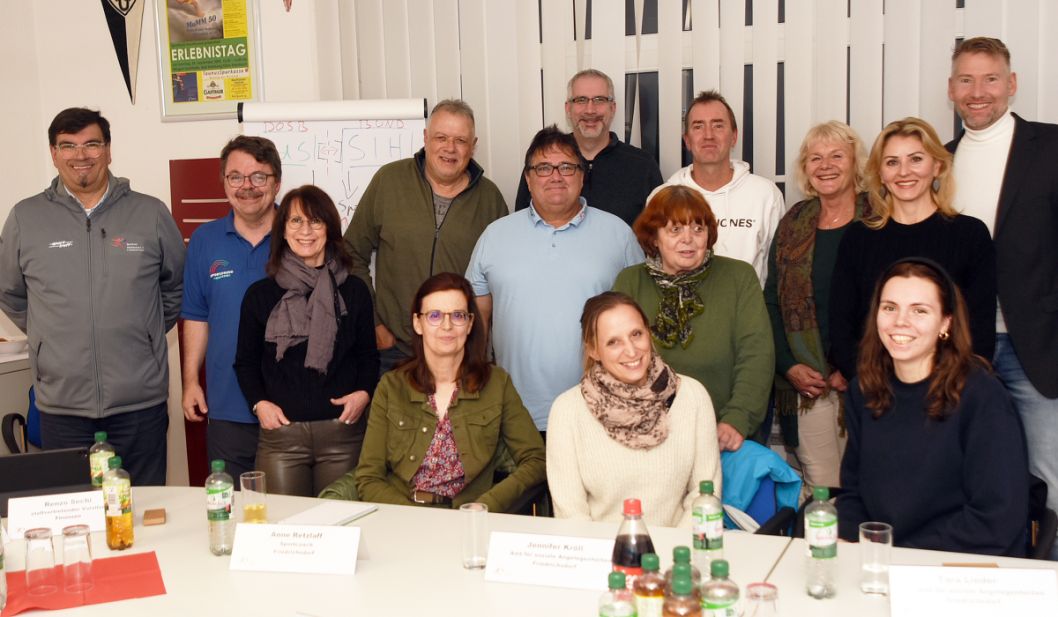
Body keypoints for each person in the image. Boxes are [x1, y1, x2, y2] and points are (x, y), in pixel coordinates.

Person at [0, 108, 184, 485]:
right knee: (73, 518)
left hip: (140, 402)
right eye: (67, 145)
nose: (80, 155)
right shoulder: (25, 217)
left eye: (91, 144)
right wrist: (47, 337)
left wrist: (143, 331)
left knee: (146, 506)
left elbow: (175, 287)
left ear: (109, 150)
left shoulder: (150, 213)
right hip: (62, 407)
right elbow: (11, 292)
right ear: (53, 153)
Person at [946, 36, 1058, 559]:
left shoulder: (1051, 147)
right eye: (966, 79)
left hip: (1036, 346)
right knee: (973, 478)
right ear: (951, 90)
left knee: (1049, 483)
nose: (978, 91)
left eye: (990, 78)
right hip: (963, 351)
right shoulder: (937, 163)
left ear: (1011, 84)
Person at [837, 258, 1028, 556]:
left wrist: (899, 557)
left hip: (960, 567)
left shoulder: (982, 396)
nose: (900, 321)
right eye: (889, 308)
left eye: (919, 311)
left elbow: (997, 517)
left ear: (945, 323)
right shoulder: (863, 389)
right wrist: (853, 549)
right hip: (882, 563)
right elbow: (853, 494)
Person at [466, 126, 644, 433]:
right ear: (528, 178)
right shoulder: (495, 236)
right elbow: (477, 322)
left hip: (599, 413)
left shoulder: (618, 235)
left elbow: (641, 323)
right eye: (544, 168)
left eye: (567, 167)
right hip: (514, 414)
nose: (556, 176)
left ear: (582, 175)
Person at [355, 273, 546, 511]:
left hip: (466, 521)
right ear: (418, 323)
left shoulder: (497, 384)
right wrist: (410, 516)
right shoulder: (391, 387)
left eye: (457, 316)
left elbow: (536, 460)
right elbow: (368, 477)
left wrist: (487, 504)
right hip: (403, 519)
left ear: (469, 323)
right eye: (434, 316)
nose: (447, 326)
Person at [344, 99, 508, 375]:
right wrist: (374, 323)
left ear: (473, 145)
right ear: (425, 138)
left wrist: (479, 347)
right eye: (441, 137)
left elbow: (500, 282)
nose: (450, 148)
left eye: (460, 140)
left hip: (459, 354)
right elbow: (350, 253)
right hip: (393, 352)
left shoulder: (490, 199)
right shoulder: (389, 181)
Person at [234, 185, 379, 497]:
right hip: (281, 439)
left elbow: (369, 357)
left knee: (341, 529)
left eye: (316, 221)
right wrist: (260, 405)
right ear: (283, 230)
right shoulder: (260, 296)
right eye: (296, 221)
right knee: (281, 530)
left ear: (330, 229)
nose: (306, 231)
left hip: (343, 435)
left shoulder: (354, 291)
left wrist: (364, 394)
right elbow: (245, 363)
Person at [828, 117, 996, 381]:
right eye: (892, 162)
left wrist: (948, 388)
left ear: (937, 166)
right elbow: (841, 326)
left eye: (916, 159)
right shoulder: (858, 238)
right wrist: (870, 384)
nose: (904, 172)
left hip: (951, 393)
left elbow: (980, 330)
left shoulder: (970, 235)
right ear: (880, 174)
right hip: (876, 394)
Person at [613, 185, 774, 452]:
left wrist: (737, 419)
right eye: (675, 229)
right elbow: (613, 361)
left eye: (698, 229)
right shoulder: (630, 281)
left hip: (722, 436)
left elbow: (756, 356)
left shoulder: (739, 277)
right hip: (645, 438)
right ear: (654, 237)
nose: (688, 239)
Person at [546, 291, 721, 526]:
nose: (631, 351)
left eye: (636, 334)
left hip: (678, 554)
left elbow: (704, 496)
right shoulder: (567, 411)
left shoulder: (692, 396)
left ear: (649, 333)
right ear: (593, 350)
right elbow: (571, 515)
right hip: (602, 556)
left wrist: (674, 555)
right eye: (613, 342)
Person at [763, 122, 870, 495]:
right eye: (815, 158)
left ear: (855, 161)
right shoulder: (794, 222)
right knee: (824, 487)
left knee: (874, 486)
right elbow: (772, 301)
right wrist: (789, 366)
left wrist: (850, 366)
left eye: (836, 155)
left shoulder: (880, 219)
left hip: (870, 378)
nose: (825, 165)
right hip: (809, 384)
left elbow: (884, 303)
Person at [181, 136, 281, 479]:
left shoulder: (302, 237)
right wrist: (191, 382)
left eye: (259, 176)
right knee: (235, 513)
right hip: (227, 407)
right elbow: (195, 316)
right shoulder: (204, 241)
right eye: (236, 177)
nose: (247, 187)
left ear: (276, 183)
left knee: (295, 516)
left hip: (290, 406)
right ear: (224, 183)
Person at [649, 90, 785, 286]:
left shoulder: (765, 195)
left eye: (718, 125)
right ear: (687, 140)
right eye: (698, 127)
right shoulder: (662, 198)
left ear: (734, 137)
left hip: (747, 313)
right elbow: (654, 269)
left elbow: (778, 272)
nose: (708, 136)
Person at [513, 69, 663, 226]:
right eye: (581, 100)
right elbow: (522, 225)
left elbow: (659, 234)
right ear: (568, 109)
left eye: (599, 100)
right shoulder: (542, 165)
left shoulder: (642, 166)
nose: (590, 110)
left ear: (612, 108)